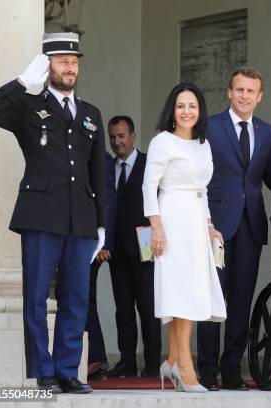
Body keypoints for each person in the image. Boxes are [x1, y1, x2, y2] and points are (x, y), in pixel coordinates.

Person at [0, 32, 105, 393]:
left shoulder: (91, 114)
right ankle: (44, 370)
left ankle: (68, 369)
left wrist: (102, 224)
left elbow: (98, 173)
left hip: (80, 218)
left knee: (77, 297)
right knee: (36, 296)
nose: (70, 67)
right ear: (47, 65)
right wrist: (22, 83)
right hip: (40, 217)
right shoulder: (27, 107)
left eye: (74, 61)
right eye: (63, 61)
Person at [197, 67, 271, 391]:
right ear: (229, 92)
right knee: (213, 299)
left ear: (259, 96)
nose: (244, 96)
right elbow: (199, 177)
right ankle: (207, 370)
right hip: (215, 228)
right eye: (239, 90)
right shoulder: (209, 126)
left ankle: (232, 368)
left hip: (250, 226)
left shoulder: (266, 132)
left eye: (251, 91)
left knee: (240, 301)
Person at [142, 82, 226, 393]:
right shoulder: (162, 142)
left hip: (195, 222)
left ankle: (174, 361)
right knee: (179, 292)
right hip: (171, 219)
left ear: (200, 110)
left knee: (190, 291)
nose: (187, 111)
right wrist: (157, 227)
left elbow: (202, 190)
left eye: (192, 106)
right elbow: (149, 186)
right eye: (181, 106)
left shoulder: (203, 144)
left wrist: (209, 225)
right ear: (172, 111)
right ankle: (184, 366)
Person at [106, 115, 161, 378]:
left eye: (122, 136)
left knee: (149, 309)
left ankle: (152, 365)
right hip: (117, 250)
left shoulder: (150, 162)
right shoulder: (107, 167)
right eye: (113, 137)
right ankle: (127, 362)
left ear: (133, 136)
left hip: (146, 246)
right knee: (123, 309)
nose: (118, 142)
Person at [86, 150, 118, 379]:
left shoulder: (101, 158)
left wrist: (103, 242)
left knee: (84, 298)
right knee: (83, 298)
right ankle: (95, 358)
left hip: (92, 244)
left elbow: (108, 201)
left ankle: (95, 358)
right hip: (78, 239)